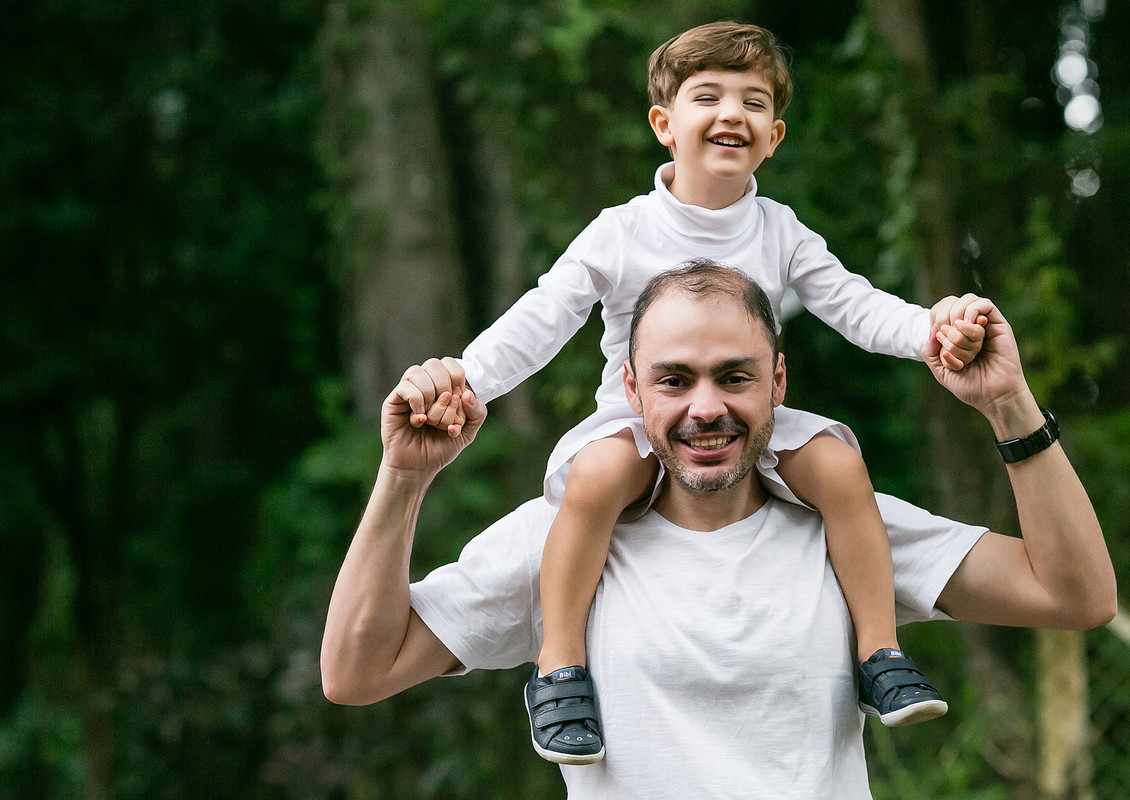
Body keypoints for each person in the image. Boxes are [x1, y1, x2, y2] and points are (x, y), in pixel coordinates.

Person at [397, 21, 988, 764]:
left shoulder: (781, 231)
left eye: (753, 100)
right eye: (707, 95)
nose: (730, 113)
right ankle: (560, 668)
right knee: (597, 475)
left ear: (773, 136)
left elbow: (854, 303)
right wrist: (467, 377)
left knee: (840, 465)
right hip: (637, 417)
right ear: (664, 125)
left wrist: (929, 329)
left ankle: (879, 654)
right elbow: (542, 317)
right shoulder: (622, 231)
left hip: (747, 415)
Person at [321, 263, 1116, 799]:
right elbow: (356, 672)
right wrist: (405, 477)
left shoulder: (848, 531)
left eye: (735, 376)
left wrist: (1008, 404)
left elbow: (1075, 594)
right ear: (631, 390)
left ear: (778, 380)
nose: (707, 408)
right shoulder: (562, 540)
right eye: (675, 379)